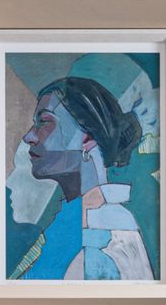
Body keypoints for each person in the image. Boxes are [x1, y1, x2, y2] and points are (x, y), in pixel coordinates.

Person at [14, 76, 153, 280]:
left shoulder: (107, 230)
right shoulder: (70, 219)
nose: (29, 136)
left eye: (44, 122)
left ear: (87, 138)